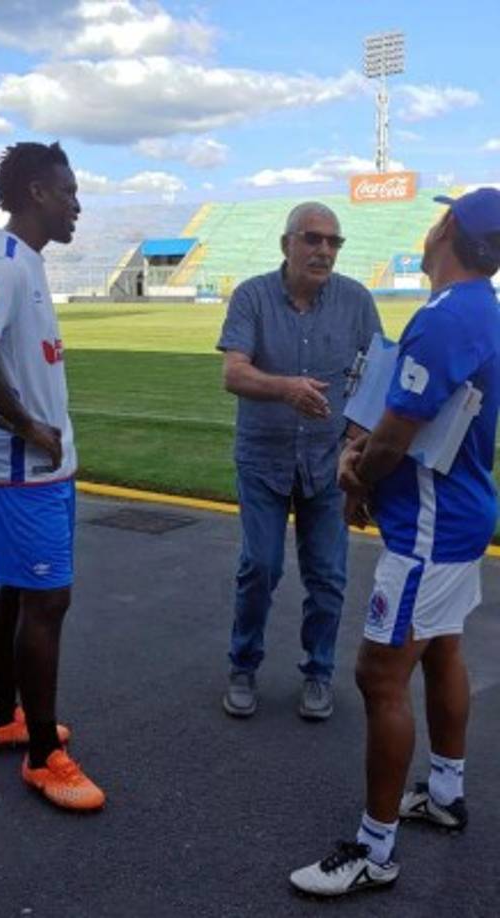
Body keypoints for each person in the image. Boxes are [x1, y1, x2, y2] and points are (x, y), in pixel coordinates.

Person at [290, 187, 500, 897]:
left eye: (441, 216)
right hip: (461, 515)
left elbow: (394, 438)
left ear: (450, 230)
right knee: (441, 648)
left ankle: (374, 851)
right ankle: (444, 792)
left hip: (429, 531)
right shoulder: (480, 307)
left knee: (380, 676)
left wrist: (355, 476)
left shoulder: (445, 317)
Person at [217, 202, 382, 719]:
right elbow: (233, 373)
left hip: (328, 461)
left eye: (334, 242)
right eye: (312, 238)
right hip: (263, 457)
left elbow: (377, 377)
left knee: (328, 576)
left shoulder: (356, 300)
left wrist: (357, 438)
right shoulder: (253, 296)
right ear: (286, 244)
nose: (324, 250)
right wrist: (286, 389)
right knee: (260, 567)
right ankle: (243, 665)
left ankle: (318, 672)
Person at [0, 142, 105, 811]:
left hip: (44, 470)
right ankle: (42, 757)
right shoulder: (4, 264)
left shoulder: (26, 263)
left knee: (20, 589)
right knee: (46, 601)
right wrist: (26, 424)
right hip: (23, 470)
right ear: (36, 192)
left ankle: (1, 714)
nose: (77, 205)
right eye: (68, 192)